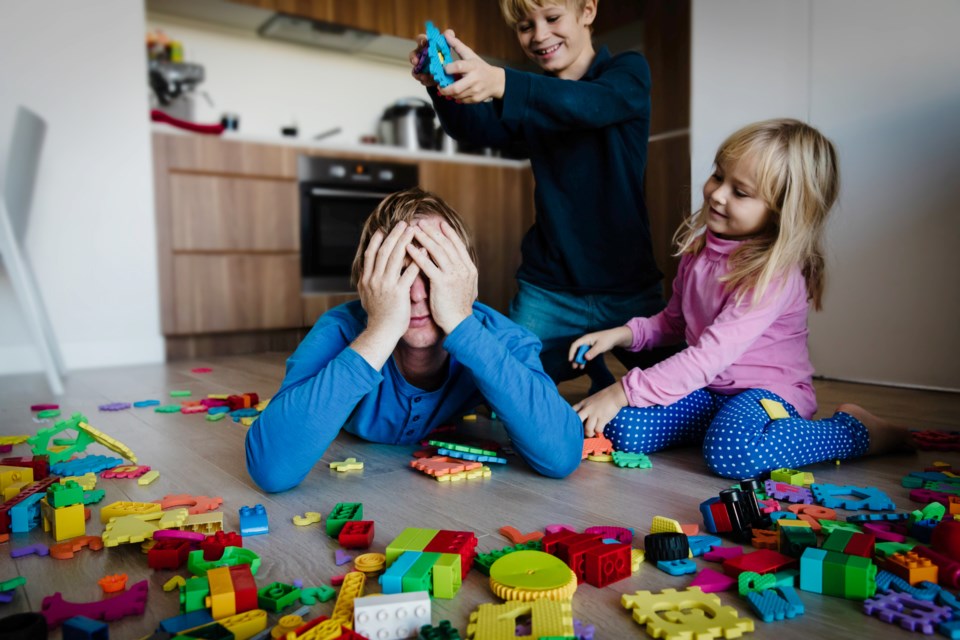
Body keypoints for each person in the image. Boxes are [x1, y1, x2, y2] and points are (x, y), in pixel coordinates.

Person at [568, 119, 907, 479]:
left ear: (780, 212)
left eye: (740, 192)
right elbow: (675, 322)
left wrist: (622, 390)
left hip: (768, 394)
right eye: (718, 176)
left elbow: (707, 356)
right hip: (711, 389)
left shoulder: (772, 276)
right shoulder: (700, 251)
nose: (717, 193)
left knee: (733, 453)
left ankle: (856, 430)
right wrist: (621, 335)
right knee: (621, 429)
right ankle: (718, 424)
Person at [245, 188, 583, 492]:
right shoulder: (339, 330)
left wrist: (463, 326)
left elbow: (562, 455)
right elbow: (272, 469)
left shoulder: (497, 335)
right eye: (399, 272)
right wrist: (380, 330)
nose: (418, 294)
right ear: (369, 282)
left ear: (464, 277)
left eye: (434, 269)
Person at [409, 0, 670, 395]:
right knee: (496, 386)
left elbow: (588, 104)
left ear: (588, 10)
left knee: (681, 389)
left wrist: (502, 83)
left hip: (627, 286)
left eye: (552, 18)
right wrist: (443, 85)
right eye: (525, 26)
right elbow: (478, 128)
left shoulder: (628, 72)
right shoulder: (531, 98)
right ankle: (585, 365)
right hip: (550, 287)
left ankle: (592, 367)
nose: (539, 35)